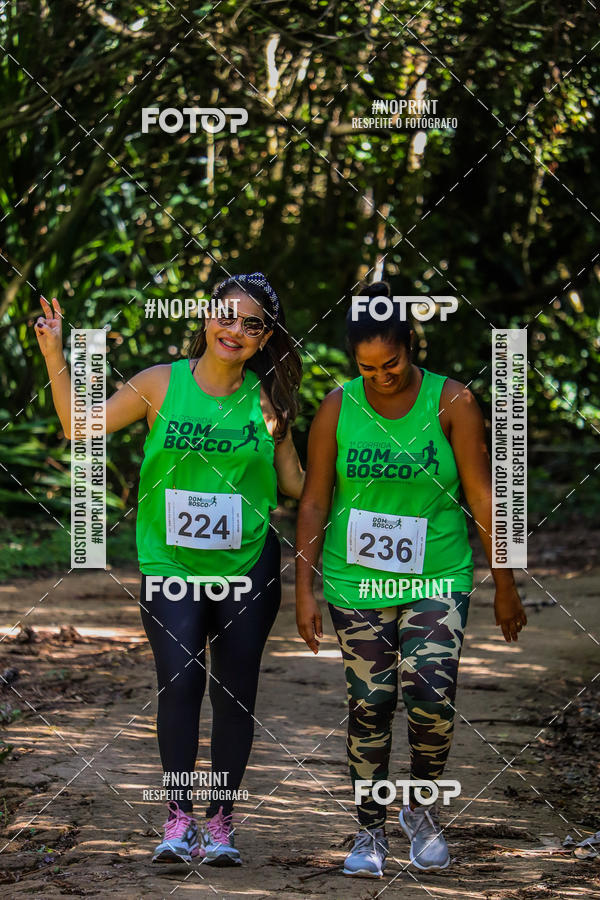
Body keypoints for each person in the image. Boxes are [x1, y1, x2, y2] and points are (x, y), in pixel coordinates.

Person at [34, 272, 304, 866]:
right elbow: (82, 427)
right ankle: (179, 819)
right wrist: (55, 353)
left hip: (247, 568)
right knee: (181, 682)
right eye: (226, 315)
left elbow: (294, 487)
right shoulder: (161, 383)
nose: (235, 329)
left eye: (252, 324)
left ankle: (223, 824)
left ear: (265, 337)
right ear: (207, 317)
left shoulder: (268, 403)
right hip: (169, 561)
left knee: (236, 693)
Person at [295, 280, 527, 878]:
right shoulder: (337, 407)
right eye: (367, 367)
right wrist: (303, 587)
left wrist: (505, 583)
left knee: (432, 700)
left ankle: (421, 813)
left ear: (410, 344)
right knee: (369, 705)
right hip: (356, 583)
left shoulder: (453, 403)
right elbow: (316, 500)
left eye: (391, 362)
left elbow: (483, 498)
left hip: (437, 576)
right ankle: (368, 832)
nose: (381, 377)